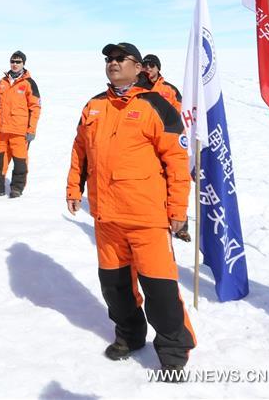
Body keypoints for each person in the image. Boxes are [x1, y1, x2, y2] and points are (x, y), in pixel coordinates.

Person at [66, 42, 196, 378]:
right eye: (108, 59)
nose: (112, 63)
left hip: (146, 218)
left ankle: (173, 350)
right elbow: (80, 150)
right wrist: (73, 188)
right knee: (115, 286)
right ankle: (129, 336)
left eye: (120, 59)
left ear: (138, 67)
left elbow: (177, 161)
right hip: (107, 218)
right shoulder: (94, 106)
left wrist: (178, 208)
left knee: (161, 290)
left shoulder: (156, 105)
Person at [141, 55, 190, 242]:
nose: (148, 68)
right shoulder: (139, 88)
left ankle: (181, 225)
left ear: (158, 68)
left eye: (152, 65)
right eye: (145, 65)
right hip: (148, 142)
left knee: (176, 180)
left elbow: (182, 112)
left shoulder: (169, 90)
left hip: (170, 139)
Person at [0, 50, 41, 198]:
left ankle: (16, 188)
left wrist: (31, 130)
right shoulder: (2, 82)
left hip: (19, 131)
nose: (15, 64)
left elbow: (35, 107)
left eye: (18, 62)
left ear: (23, 64)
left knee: (20, 162)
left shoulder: (29, 83)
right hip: (2, 130)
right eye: (13, 61)